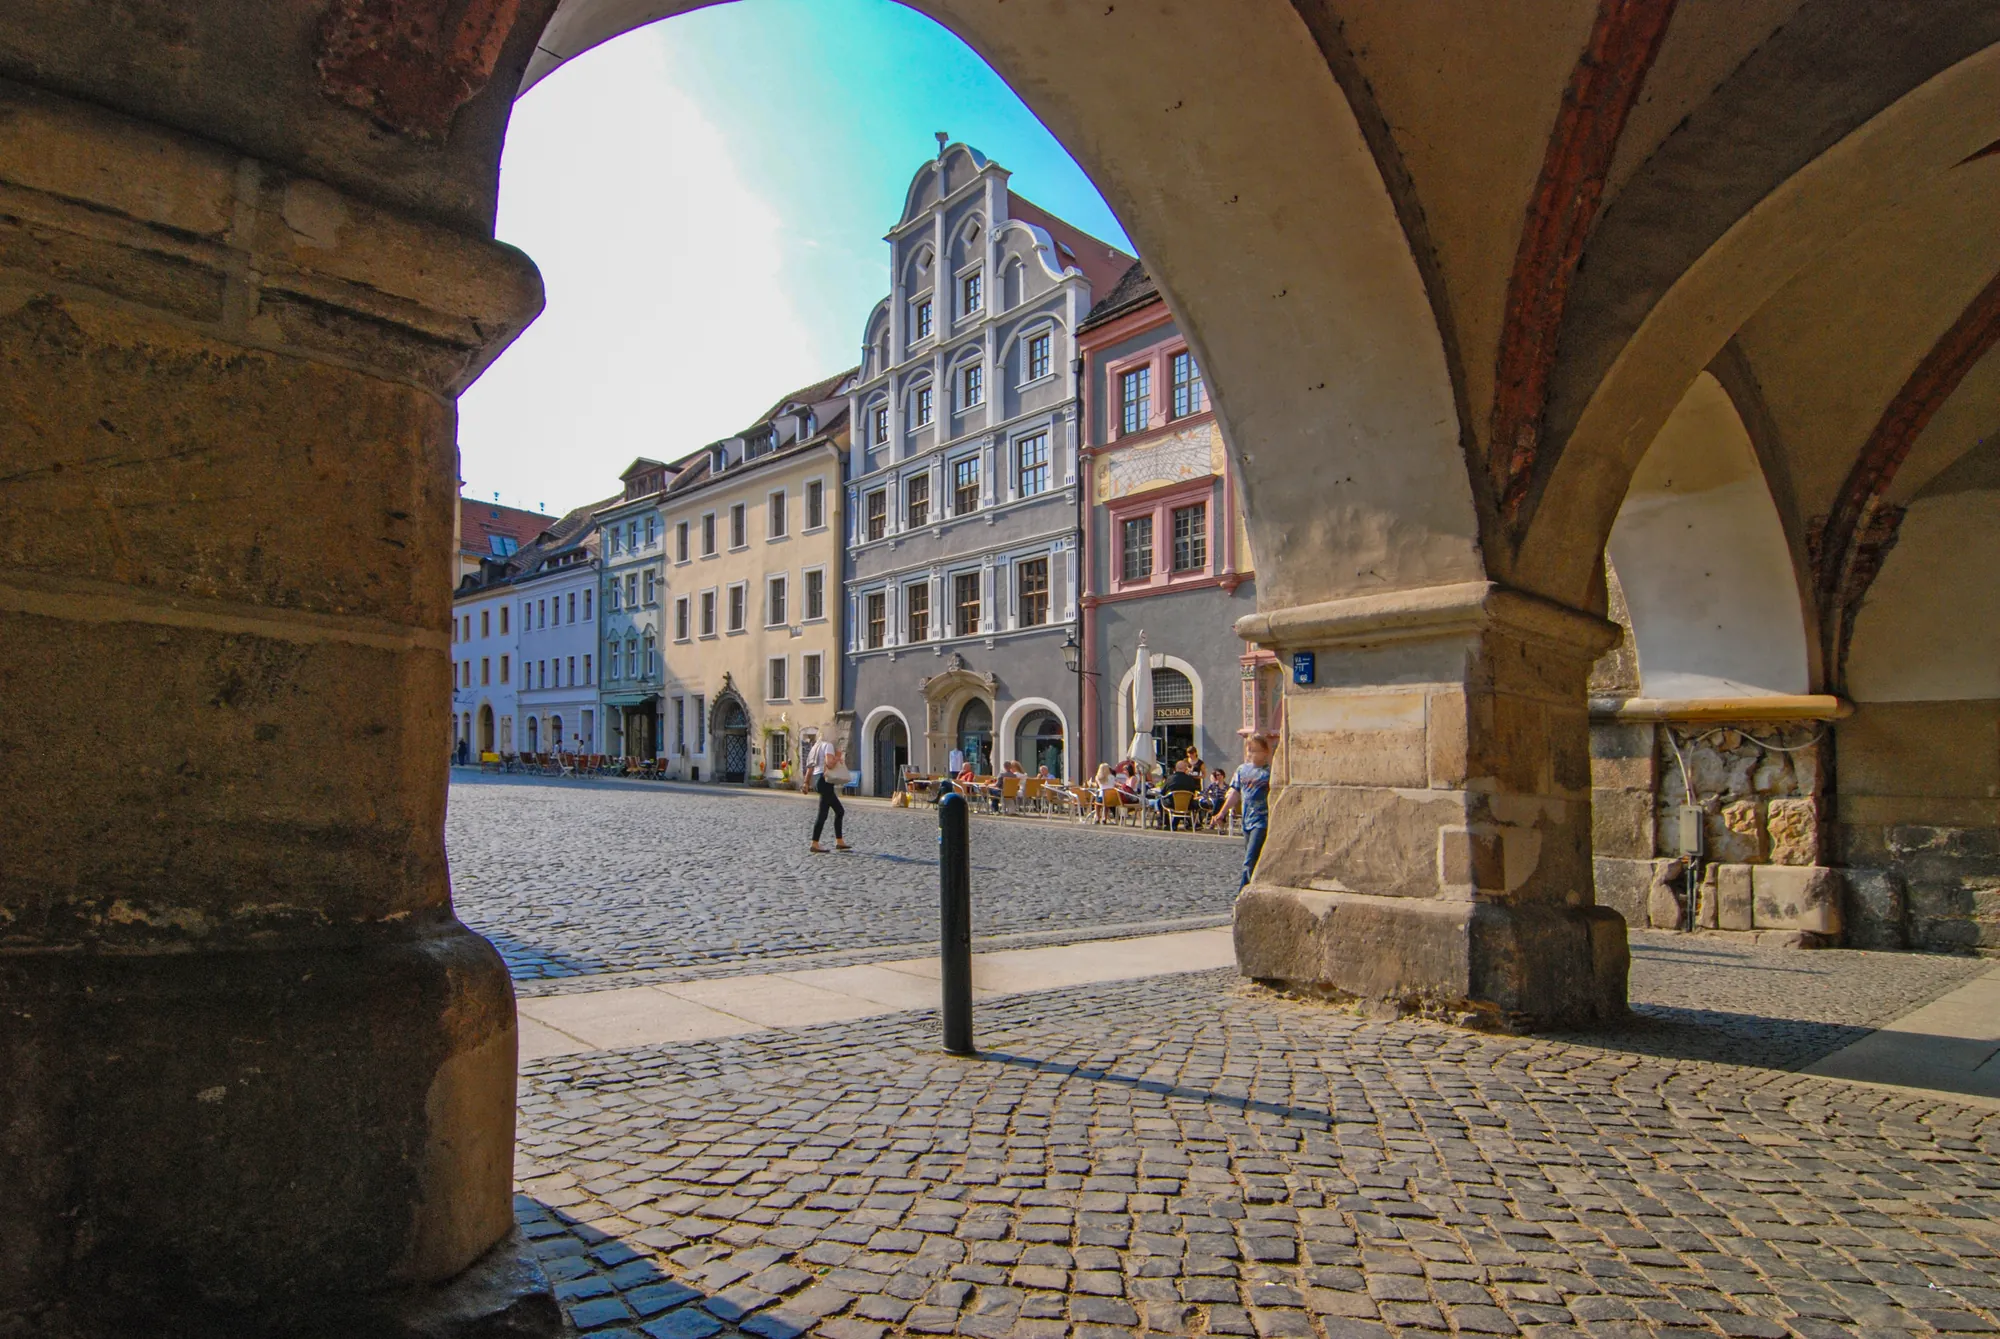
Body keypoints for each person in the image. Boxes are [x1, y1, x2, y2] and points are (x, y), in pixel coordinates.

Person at [1214, 734, 1272, 887]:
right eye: (1248, 750)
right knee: (1252, 858)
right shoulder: (1242, 770)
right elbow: (1235, 792)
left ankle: (1242, 895)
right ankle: (1255, 889)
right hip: (1246, 820)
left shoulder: (1269, 773)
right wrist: (1222, 812)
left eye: (1254, 750)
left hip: (1262, 821)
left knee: (1249, 860)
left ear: (1265, 752)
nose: (1250, 753)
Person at [805, 737, 850, 854]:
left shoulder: (815, 747)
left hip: (817, 779)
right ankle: (815, 843)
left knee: (839, 811)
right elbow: (829, 764)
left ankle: (839, 841)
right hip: (824, 781)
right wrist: (837, 757)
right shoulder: (828, 745)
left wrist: (806, 783)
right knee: (823, 814)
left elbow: (810, 768)